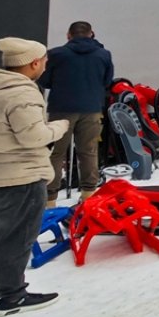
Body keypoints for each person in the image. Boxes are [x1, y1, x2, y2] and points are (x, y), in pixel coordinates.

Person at [0, 38, 69, 316]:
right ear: (34, 63)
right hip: (20, 179)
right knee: (16, 240)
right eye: (44, 62)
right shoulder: (21, 93)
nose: (45, 66)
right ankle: (13, 298)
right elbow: (33, 136)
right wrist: (59, 127)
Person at [40, 21, 113, 205]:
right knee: (88, 151)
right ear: (92, 34)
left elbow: (44, 79)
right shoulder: (103, 54)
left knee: (57, 152)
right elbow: (107, 81)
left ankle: (50, 198)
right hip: (92, 109)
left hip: (61, 109)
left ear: (68, 35)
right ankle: (88, 193)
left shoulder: (56, 54)